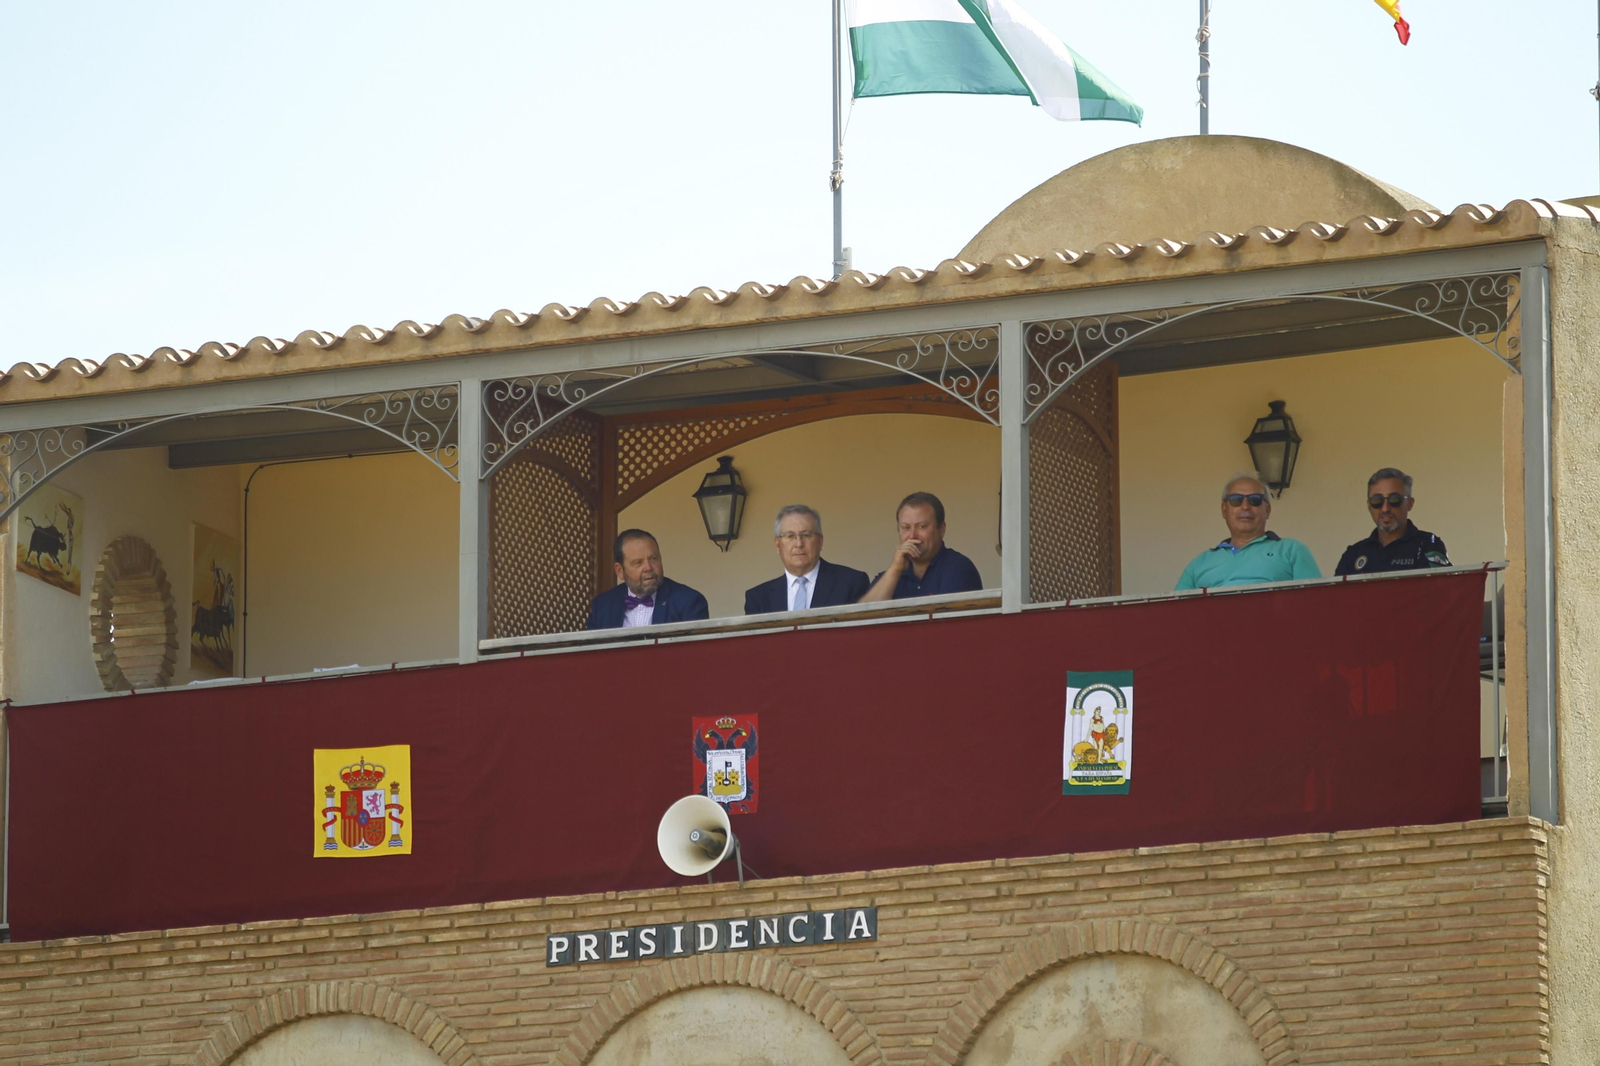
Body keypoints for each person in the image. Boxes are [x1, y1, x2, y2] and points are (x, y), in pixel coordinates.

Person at [1174, 473, 1321, 590]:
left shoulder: (1292, 550)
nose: (1245, 507)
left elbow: (1315, 602)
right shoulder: (1199, 563)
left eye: (1255, 500)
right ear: (1224, 510)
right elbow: (1177, 612)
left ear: (1267, 510)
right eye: (1236, 500)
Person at [858, 491, 984, 602]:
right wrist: (895, 570)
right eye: (906, 528)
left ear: (941, 529)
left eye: (922, 526)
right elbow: (860, 619)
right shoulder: (891, 574)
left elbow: (946, 624)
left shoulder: (958, 567)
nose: (912, 536)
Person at [744, 505, 871, 614]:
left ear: (820, 541)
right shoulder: (758, 598)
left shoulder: (851, 583)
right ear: (777, 545)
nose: (799, 544)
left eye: (806, 535)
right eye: (790, 536)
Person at [1334, 468, 1451, 576]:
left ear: (1410, 504)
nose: (1385, 508)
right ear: (1369, 506)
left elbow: (1441, 591)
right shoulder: (1353, 554)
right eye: (1377, 501)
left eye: (1394, 500)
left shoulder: (1429, 545)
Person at [585, 529, 709, 630]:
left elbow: (693, 656)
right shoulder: (602, 606)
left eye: (653, 558)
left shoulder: (689, 602)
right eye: (638, 563)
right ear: (620, 571)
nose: (648, 568)